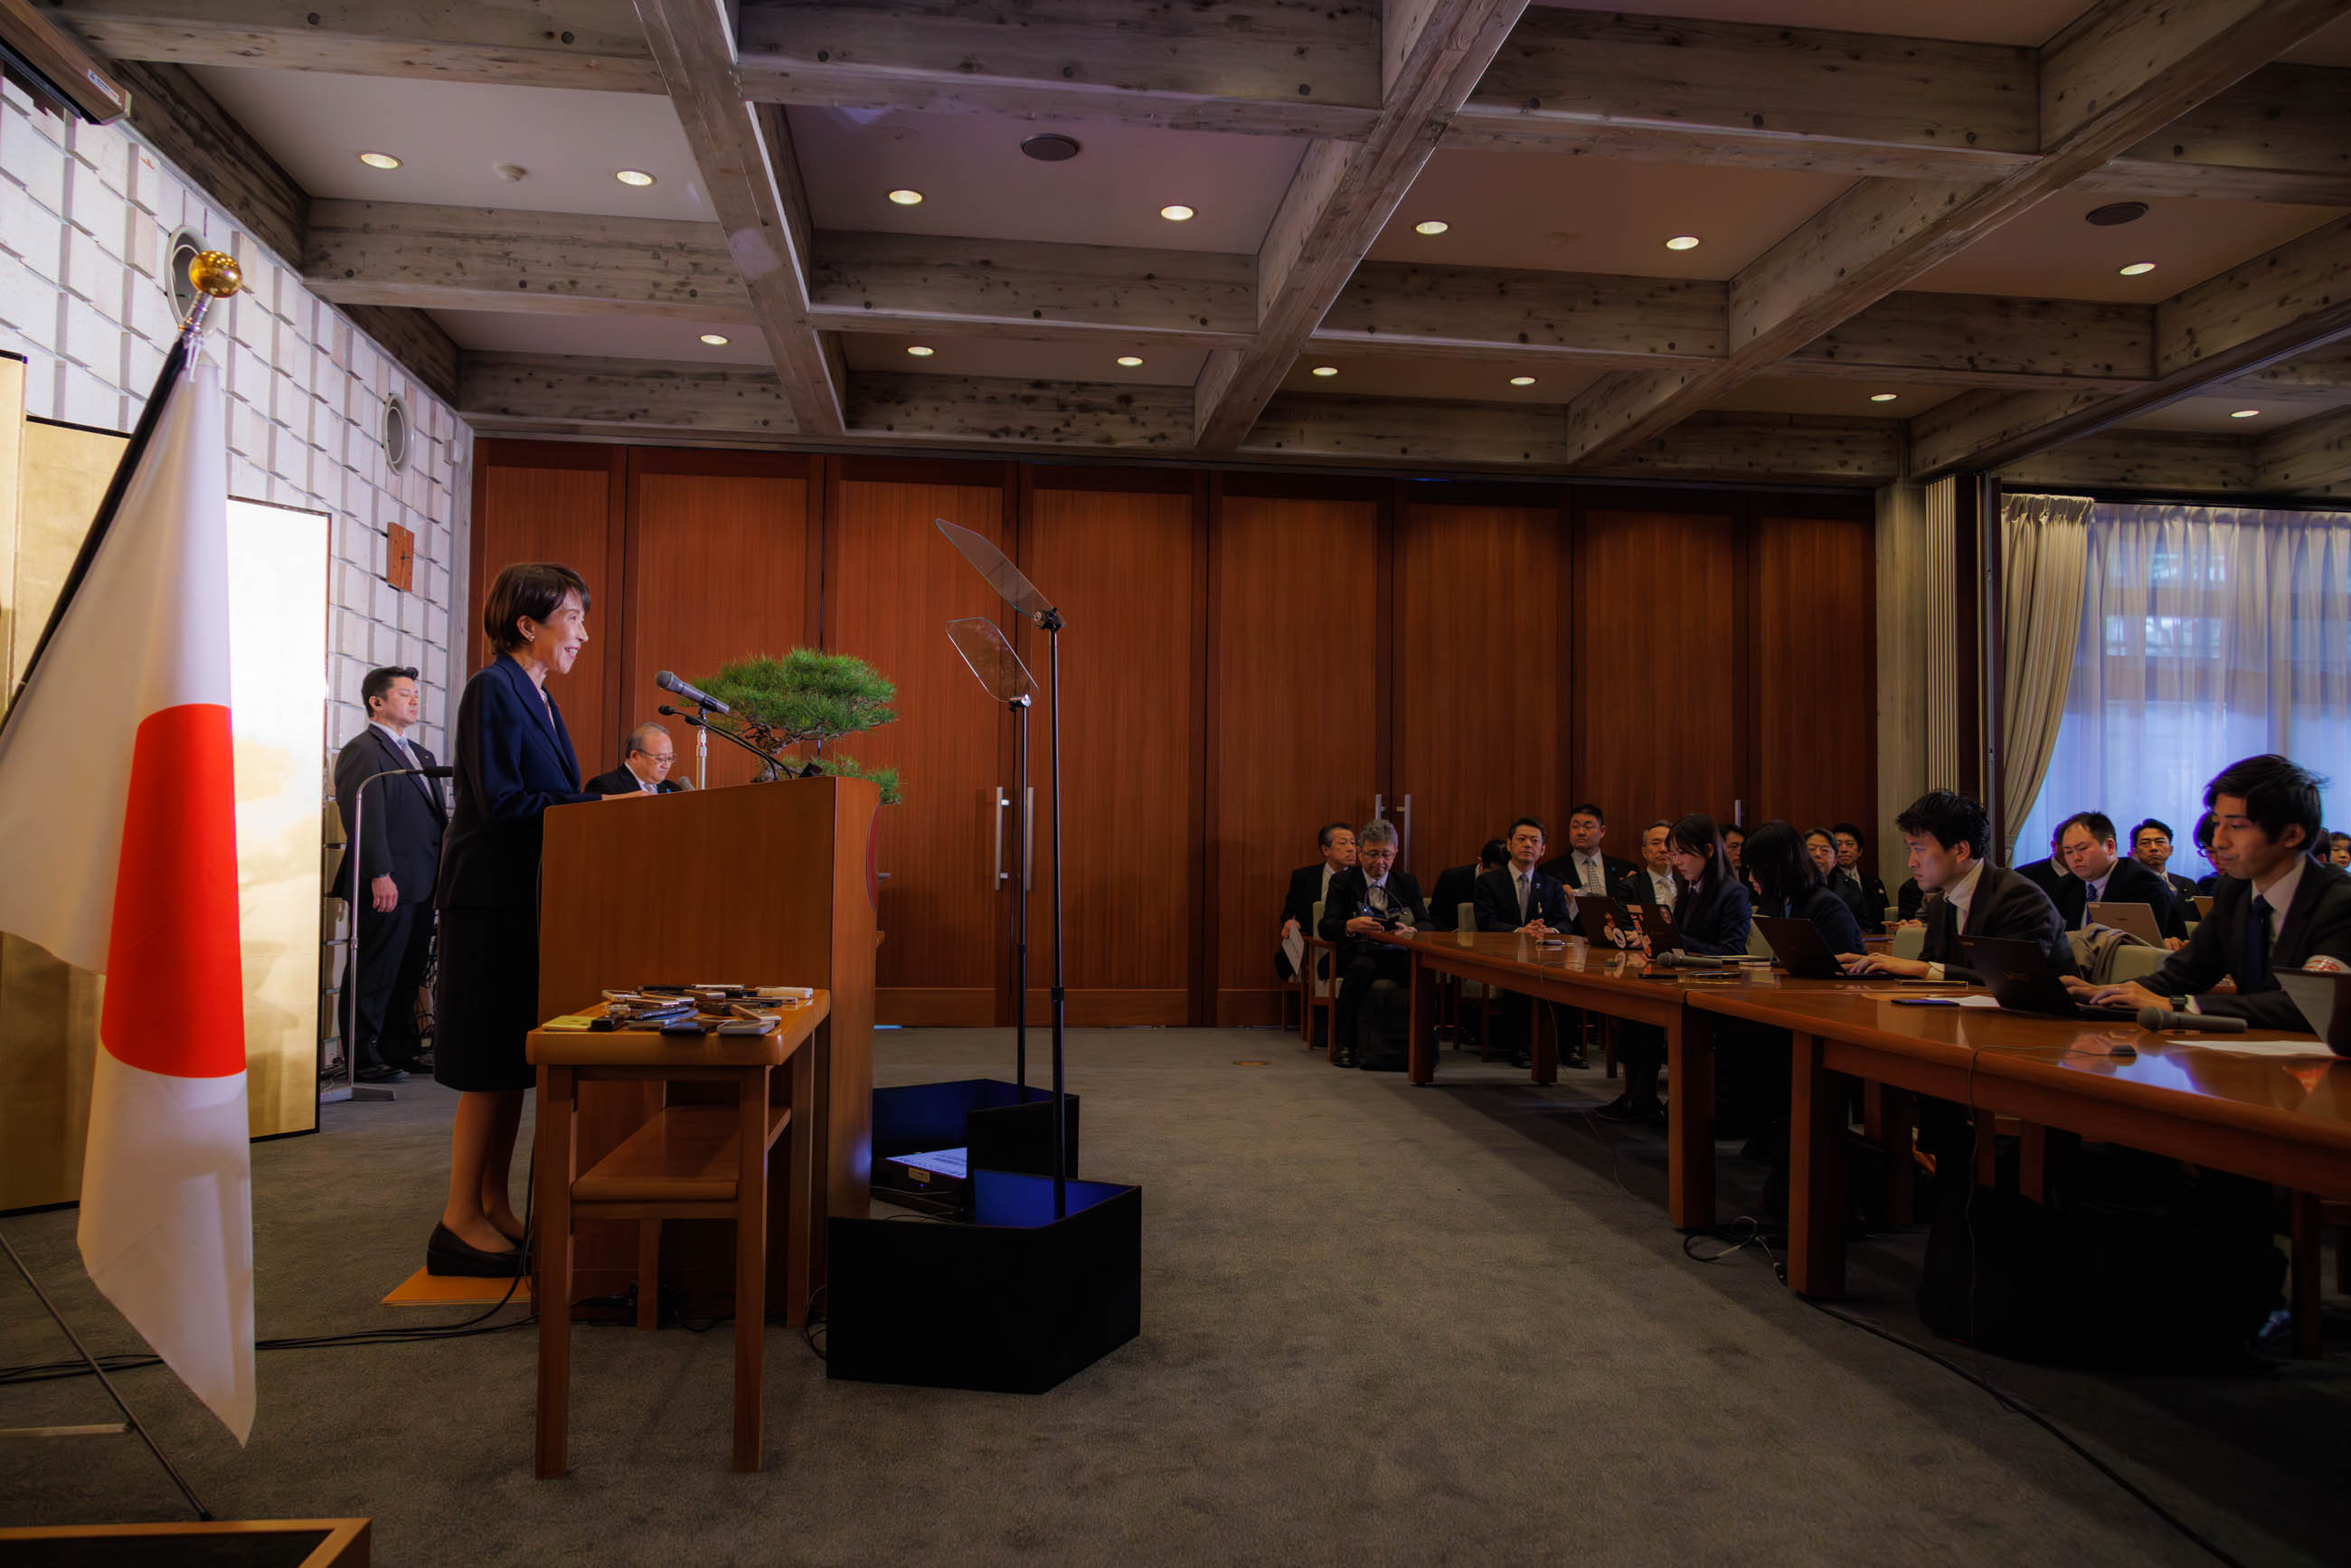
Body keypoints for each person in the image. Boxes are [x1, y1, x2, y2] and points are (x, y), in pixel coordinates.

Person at [428, 562, 607, 1278]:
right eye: (572, 619)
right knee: (484, 1068)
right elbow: (505, 804)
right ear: (527, 624)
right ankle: (457, 1219)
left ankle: (494, 1205)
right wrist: (601, 811)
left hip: (521, 899)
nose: (583, 635)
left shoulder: (537, 694)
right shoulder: (491, 688)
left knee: (509, 1065)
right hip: (485, 902)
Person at [2070, 755, 2351, 1029]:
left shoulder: (2340, 901)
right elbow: (2186, 973)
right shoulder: (2236, 889)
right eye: (2217, 824)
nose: (2218, 842)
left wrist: (2181, 1006)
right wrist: (2106, 993)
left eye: (2236, 827)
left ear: (2291, 835)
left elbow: (2309, 1004)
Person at [331, 665, 446, 1082]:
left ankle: (402, 1048)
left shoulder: (422, 755)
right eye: (404, 694)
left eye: (416, 694)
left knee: (407, 971)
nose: (414, 700)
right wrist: (380, 871)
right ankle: (361, 1057)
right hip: (386, 881)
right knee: (374, 970)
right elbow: (362, 815)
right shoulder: (364, 749)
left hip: (422, 882)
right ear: (376, 703)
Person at [1600, 815, 1750, 1122]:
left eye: (1682, 853)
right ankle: (1639, 1094)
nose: (1675, 860)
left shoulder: (1732, 893)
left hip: (1716, 986)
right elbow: (1678, 938)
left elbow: (1732, 953)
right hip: (1682, 978)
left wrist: (1678, 942)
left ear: (1708, 851)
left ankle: (1651, 1098)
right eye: (1674, 852)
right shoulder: (1689, 886)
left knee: (1648, 1010)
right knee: (1635, 1008)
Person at [1842, 789, 2072, 984]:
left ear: (1960, 850)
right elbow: (1932, 965)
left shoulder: (2017, 897)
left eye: (1919, 850)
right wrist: (1876, 967)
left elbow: (2014, 979)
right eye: (1909, 850)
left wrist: (1921, 969)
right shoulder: (1942, 903)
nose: (1911, 862)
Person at [1317, 820, 1428, 1066]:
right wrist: (1349, 925)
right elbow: (1326, 926)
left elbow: (1427, 923)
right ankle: (1345, 1044)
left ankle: (1417, 1045)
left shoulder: (1407, 883)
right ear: (1359, 852)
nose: (1380, 862)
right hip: (1358, 951)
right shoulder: (1342, 882)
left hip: (1396, 952)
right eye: (1372, 854)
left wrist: (1412, 930)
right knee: (1361, 970)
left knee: (1419, 972)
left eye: (1386, 855)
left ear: (1395, 853)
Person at [1475, 817, 1577, 1068]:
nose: (1528, 845)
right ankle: (1519, 1048)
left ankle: (1564, 1048)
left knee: (1571, 982)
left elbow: (1565, 924)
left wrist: (1547, 931)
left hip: (1544, 955)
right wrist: (1521, 930)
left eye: (1535, 841)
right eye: (1521, 839)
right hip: (1503, 954)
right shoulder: (1488, 882)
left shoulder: (1551, 885)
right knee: (1520, 979)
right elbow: (1485, 923)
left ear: (1543, 850)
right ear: (1509, 845)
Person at [2054, 810, 2186, 939]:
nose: (2076, 858)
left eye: (2082, 849)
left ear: (2110, 846)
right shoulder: (2067, 885)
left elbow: (2141, 947)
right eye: (2068, 852)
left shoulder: (2144, 885)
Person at [1745, 820, 1863, 955]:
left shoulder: (1826, 906)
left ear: (1777, 867)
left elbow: (1843, 967)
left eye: (1756, 869)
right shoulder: (1779, 902)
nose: (1750, 878)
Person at [1277, 822, 1356, 979]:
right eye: (1343, 843)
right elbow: (1290, 910)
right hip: (1311, 942)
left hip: (1346, 943)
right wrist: (1291, 922)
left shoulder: (1359, 879)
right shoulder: (1304, 877)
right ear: (1325, 849)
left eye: (1353, 843)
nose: (1351, 848)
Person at [1539, 802, 1633, 909]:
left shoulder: (1625, 870)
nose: (1580, 832)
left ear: (1602, 831)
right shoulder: (1550, 871)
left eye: (1588, 827)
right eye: (1575, 826)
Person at [586, 721, 687, 796]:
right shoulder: (605, 787)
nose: (666, 765)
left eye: (670, 758)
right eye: (660, 759)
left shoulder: (672, 789)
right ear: (635, 756)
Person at [1430, 838, 1508, 930]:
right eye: (1494, 874)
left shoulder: (1508, 882)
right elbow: (1435, 915)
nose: (1498, 879)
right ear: (1481, 862)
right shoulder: (1451, 878)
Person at [1831, 821, 1889, 933]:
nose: (1844, 849)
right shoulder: (1828, 881)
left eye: (1850, 844)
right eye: (1838, 844)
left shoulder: (1875, 883)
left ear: (1860, 851)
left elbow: (1882, 920)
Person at [2131, 817, 2200, 902]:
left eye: (2160, 842)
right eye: (2145, 843)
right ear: (2135, 852)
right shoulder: (2127, 886)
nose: (2153, 848)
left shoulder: (2188, 885)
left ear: (2171, 850)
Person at [1619, 821, 1676, 906]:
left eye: (1668, 843)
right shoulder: (1629, 887)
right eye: (1656, 843)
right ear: (1644, 852)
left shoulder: (1687, 885)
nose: (1663, 849)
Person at [2015, 825, 2070, 902]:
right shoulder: (2022, 876)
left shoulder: (2088, 877)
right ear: (2054, 845)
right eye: (2068, 848)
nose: (2077, 855)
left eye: (2083, 848)